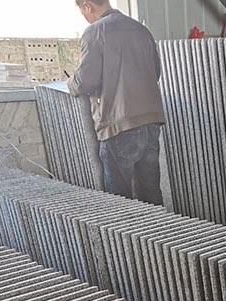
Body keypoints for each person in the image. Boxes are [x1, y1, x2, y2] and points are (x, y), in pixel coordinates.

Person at [69, 0, 165, 205]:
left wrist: (70, 83)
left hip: (118, 124)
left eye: (82, 11)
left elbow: (85, 82)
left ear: (87, 5)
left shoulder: (95, 31)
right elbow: (155, 72)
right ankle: (160, 225)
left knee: (119, 201)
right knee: (151, 194)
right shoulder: (141, 30)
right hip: (151, 123)